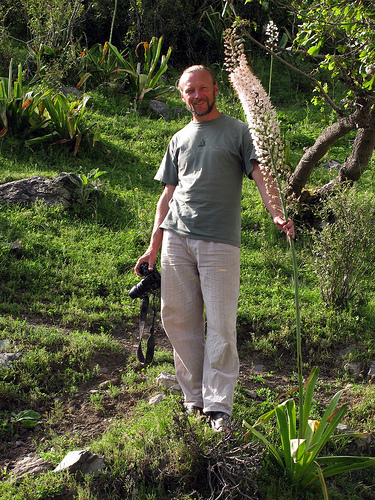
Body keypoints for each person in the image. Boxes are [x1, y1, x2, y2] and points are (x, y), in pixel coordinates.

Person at [135, 65, 294, 432]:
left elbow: (261, 175)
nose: (197, 96)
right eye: (190, 91)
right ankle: (194, 399)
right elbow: (166, 196)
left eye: (202, 88)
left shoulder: (239, 131)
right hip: (176, 238)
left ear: (216, 89)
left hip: (220, 241)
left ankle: (219, 406)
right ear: (182, 95)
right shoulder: (178, 138)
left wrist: (276, 213)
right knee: (177, 318)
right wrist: (153, 247)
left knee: (221, 323)